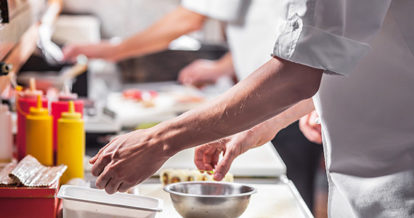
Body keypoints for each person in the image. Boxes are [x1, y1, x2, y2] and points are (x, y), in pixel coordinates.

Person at [87, 0, 413, 217]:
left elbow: (296, 75)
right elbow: (336, 57)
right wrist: (261, 124)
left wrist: (157, 141)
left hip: (395, 190)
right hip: (367, 184)